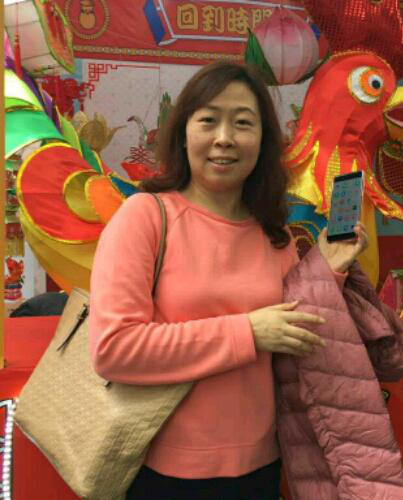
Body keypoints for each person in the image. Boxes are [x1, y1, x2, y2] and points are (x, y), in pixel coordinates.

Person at [88, 62, 372, 500]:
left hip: (263, 466)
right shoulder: (145, 217)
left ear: (262, 141)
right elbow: (114, 348)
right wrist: (247, 332)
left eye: (242, 123)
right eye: (209, 120)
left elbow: (289, 331)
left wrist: (330, 268)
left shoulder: (272, 233)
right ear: (184, 133)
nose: (224, 138)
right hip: (165, 473)